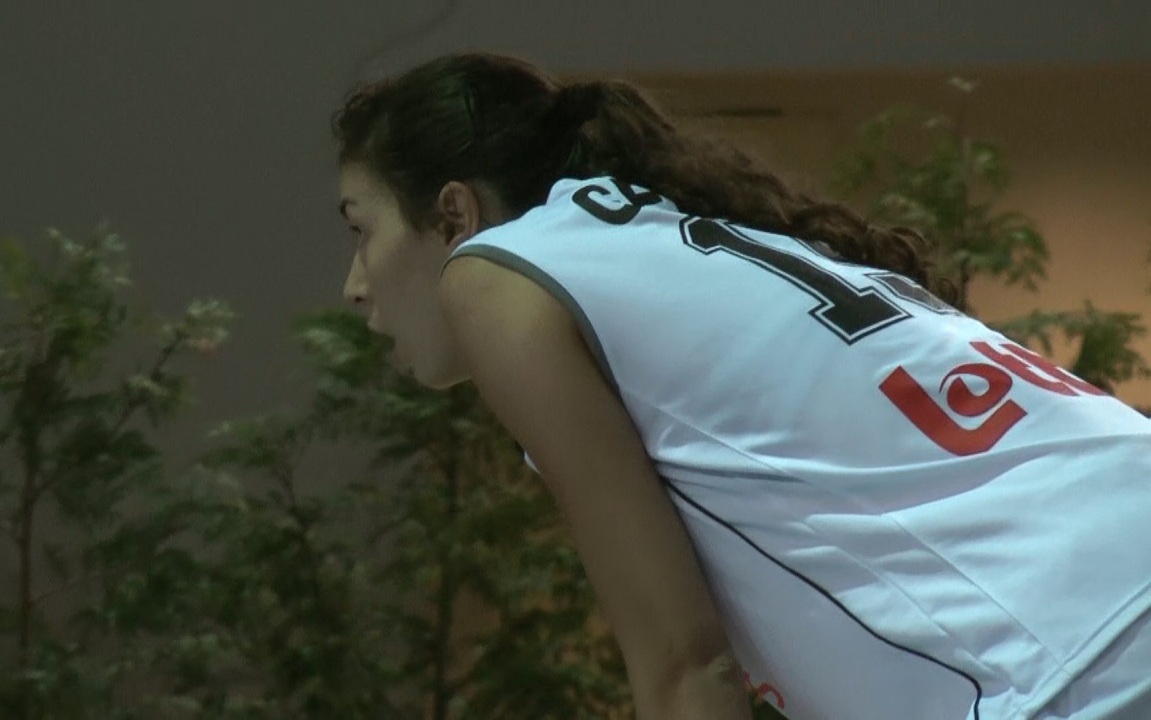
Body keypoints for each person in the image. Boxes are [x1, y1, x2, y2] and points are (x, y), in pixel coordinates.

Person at [330, 52, 1151, 720]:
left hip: (1081, 643)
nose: (354, 286)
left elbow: (686, 669)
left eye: (362, 231)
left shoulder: (491, 274)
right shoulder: (670, 242)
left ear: (454, 216)